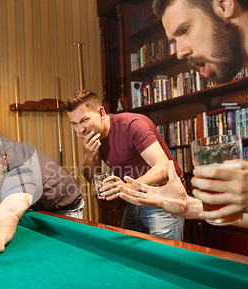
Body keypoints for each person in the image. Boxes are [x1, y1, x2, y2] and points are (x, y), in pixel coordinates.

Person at [114, 0, 248, 229]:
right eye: (174, 41)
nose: (180, 53)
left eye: (185, 30)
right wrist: (192, 207)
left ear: (224, 4)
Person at [64, 90, 185, 240]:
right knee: (127, 251)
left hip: (163, 195)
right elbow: (90, 178)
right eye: (74, 124)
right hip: (134, 196)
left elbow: (164, 168)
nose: (80, 129)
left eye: (84, 120)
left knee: (166, 256)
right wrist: (89, 155)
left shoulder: (132, 125)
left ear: (101, 112)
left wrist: (128, 187)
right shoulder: (91, 133)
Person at [0, 126, 84, 261]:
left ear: (3, 163)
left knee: (65, 260)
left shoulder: (19, 173)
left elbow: (10, 208)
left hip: (63, 207)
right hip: (36, 206)